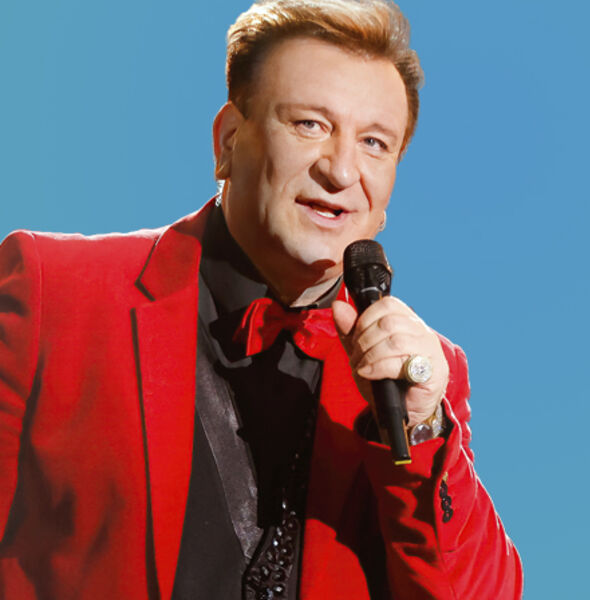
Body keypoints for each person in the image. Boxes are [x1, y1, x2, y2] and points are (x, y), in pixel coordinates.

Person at [0, 0, 523, 598]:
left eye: (375, 143)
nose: (341, 170)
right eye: (310, 125)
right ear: (228, 140)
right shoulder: (52, 291)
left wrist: (422, 425)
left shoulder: (426, 374)